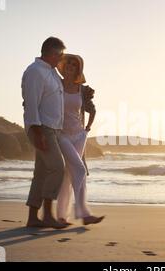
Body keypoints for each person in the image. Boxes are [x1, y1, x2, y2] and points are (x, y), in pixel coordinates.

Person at [21, 37, 67, 229]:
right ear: (52, 53)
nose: (62, 59)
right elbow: (31, 104)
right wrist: (37, 133)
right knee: (58, 167)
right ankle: (47, 215)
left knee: (41, 173)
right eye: (61, 54)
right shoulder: (35, 72)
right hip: (42, 128)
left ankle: (33, 218)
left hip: (54, 129)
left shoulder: (52, 72)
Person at [55, 54, 104, 225]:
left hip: (79, 136)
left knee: (70, 174)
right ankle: (84, 214)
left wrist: (87, 129)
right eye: (67, 67)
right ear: (63, 69)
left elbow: (92, 110)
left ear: (77, 70)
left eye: (73, 67)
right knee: (80, 169)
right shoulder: (56, 86)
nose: (69, 69)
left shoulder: (81, 90)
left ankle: (62, 216)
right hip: (62, 135)